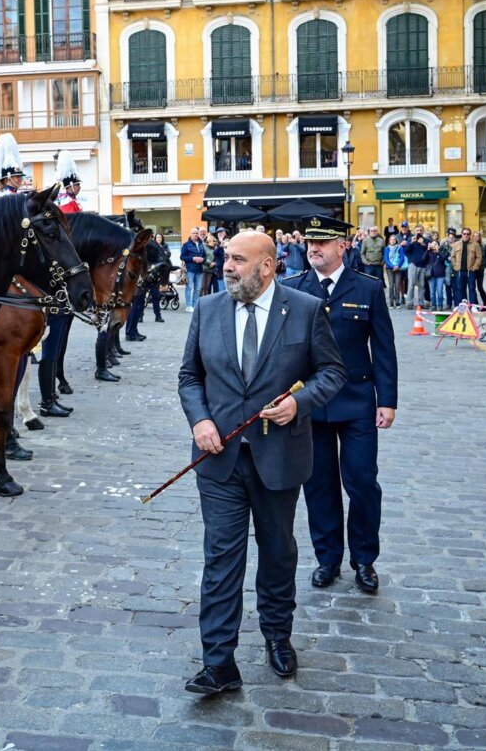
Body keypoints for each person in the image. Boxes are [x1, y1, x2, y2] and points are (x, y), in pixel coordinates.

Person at [177, 230, 346, 695]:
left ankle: (277, 637)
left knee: (277, 553)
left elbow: (332, 372)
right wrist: (201, 421)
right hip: (218, 459)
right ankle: (218, 662)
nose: (226, 266)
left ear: (267, 266)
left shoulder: (306, 310)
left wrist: (301, 403)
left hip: (279, 457)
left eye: (236, 259)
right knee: (221, 558)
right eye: (225, 258)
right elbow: (189, 376)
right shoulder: (208, 309)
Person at [287, 217, 397, 595]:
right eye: (310, 242)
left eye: (323, 242)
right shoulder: (293, 289)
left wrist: (388, 401)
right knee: (319, 485)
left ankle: (364, 559)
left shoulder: (366, 288)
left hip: (357, 402)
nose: (313, 248)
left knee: (363, 482)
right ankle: (328, 558)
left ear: (342, 247)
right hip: (311, 404)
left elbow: (383, 348)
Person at [38, 152, 84, 416]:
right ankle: (47, 400)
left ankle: (51, 394)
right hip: (55, 282)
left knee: (57, 340)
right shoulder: (63, 206)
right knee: (51, 342)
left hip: (64, 278)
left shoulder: (70, 205)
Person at [451, 228, 482, 306]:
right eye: (464, 234)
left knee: (472, 289)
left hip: (470, 271)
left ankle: (473, 306)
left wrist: (475, 267)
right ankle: (462, 306)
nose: (466, 235)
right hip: (460, 271)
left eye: (468, 234)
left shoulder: (475, 245)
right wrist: (455, 266)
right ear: (461, 234)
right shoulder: (456, 244)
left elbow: (479, 257)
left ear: (470, 235)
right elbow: (452, 257)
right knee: (460, 289)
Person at [181, 228, 207, 312]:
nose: (195, 234)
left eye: (196, 233)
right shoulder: (186, 244)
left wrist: (203, 259)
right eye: (193, 233)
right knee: (189, 287)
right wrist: (193, 258)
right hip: (190, 269)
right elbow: (182, 257)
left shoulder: (201, 244)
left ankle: (194, 305)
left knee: (198, 288)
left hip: (199, 269)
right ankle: (188, 306)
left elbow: (205, 256)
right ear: (191, 234)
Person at [404, 227, 428, 309]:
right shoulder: (411, 239)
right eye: (417, 230)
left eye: (421, 230)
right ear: (414, 231)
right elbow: (406, 251)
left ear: (423, 231)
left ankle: (421, 303)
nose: (419, 232)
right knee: (411, 285)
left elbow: (428, 251)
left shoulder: (426, 240)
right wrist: (411, 242)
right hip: (413, 264)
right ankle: (409, 303)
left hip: (422, 265)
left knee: (421, 285)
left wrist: (423, 244)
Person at [383, 235, 406, 307]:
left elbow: (402, 258)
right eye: (391, 240)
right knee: (391, 285)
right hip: (390, 268)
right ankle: (391, 302)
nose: (392, 241)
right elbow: (386, 259)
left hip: (398, 268)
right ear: (389, 241)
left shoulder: (400, 248)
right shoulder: (387, 248)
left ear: (396, 240)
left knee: (397, 285)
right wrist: (392, 266)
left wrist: (398, 266)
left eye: (394, 239)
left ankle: (397, 301)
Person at [426, 240, 447, 310]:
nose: (434, 246)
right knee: (432, 292)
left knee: (440, 292)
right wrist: (428, 250)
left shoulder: (441, 252)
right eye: (433, 244)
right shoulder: (429, 252)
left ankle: (440, 305)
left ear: (438, 246)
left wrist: (438, 252)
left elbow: (443, 259)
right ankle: (433, 305)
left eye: (436, 244)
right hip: (431, 275)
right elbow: (423, 258)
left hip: (440, 275)